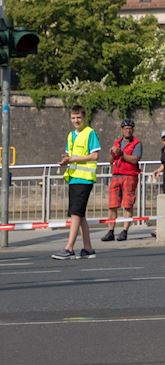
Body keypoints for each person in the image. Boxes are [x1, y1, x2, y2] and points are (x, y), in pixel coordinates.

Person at [53, 106, 100, 260]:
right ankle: (88, 248)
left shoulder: (90, 132)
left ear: (84, 117)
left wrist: (73, 159)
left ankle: (69, 248)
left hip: (85, 178)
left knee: (75, 213)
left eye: (78, 117)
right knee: (80, 214)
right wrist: (65, 159)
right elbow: (69, 153)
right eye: (73, 118)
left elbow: (94, 156)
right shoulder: (70, 135)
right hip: (73, 177)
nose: (76, 120)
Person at [102, 118, 142, 241]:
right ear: (122, 130)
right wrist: (112, 153)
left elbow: (135, 159)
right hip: (116, 175)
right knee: (112, 205)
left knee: (128, 204)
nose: (128, 130)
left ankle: (125, 230)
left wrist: (122, 154)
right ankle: (110, 230)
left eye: (130, 128)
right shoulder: (117, 142)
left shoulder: (137, 143)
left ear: (133, 130)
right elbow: (110, 160)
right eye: (126, 128)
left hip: (129, 176)